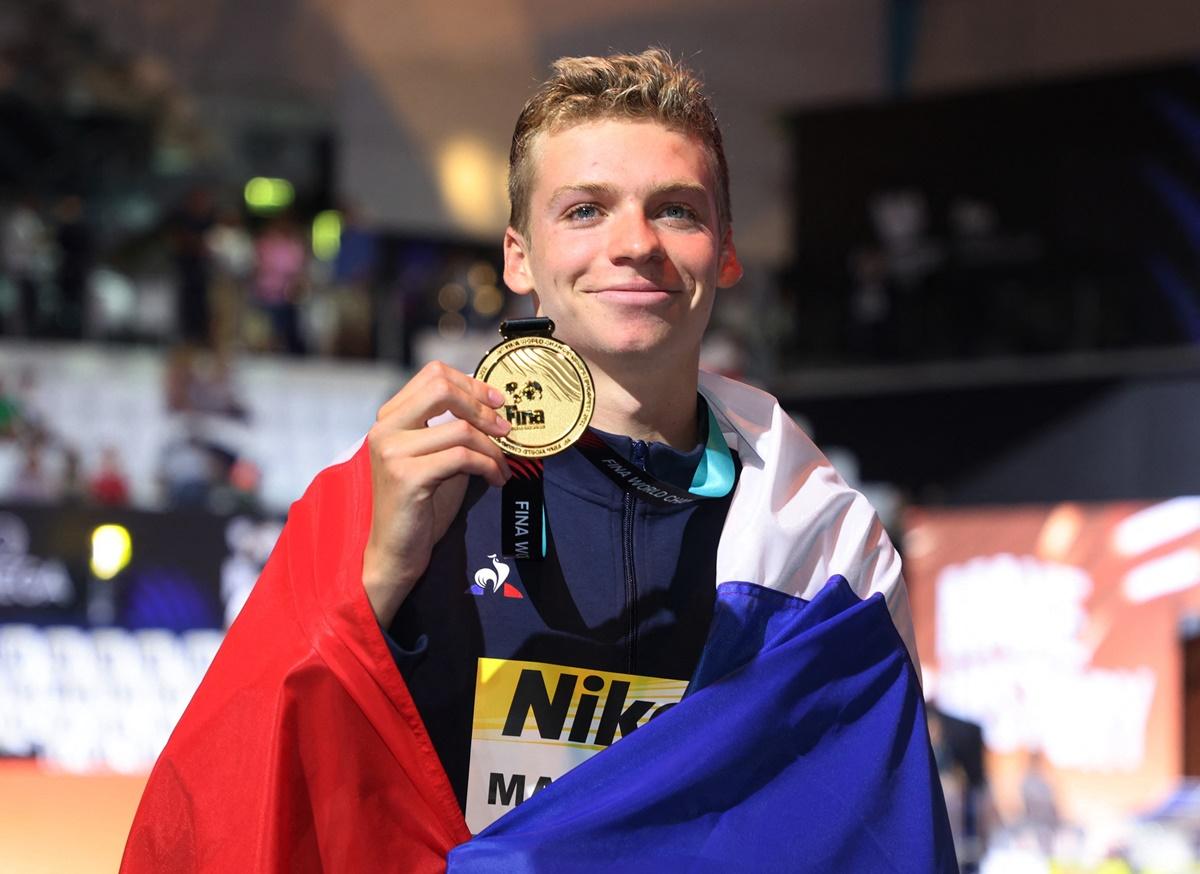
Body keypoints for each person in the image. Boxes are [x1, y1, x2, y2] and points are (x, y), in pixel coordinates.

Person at [123, 49, 954, 872]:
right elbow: (218, 810)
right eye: (586, 210)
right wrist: (371, 591)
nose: (635, 243)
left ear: (725, 251)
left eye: (676, 210)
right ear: (519, 256)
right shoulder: (383, 491)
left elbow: (869, 835)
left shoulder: (819, 545)